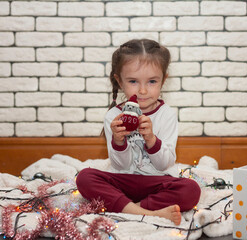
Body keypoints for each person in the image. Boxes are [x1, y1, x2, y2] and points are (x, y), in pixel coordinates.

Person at [76, 39, 201, 225]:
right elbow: (120, 166)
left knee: (191, 190)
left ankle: (129, 208)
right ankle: (148, 213)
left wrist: (151, 138)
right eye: (133, 81)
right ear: (119, 81)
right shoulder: (114, 116)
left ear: (163, 80)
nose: (142, 90)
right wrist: (119, 142)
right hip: (122, 180)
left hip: (156, 182)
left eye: (152, 81)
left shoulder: (166, 115)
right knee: (85, 178)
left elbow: (164, 164)